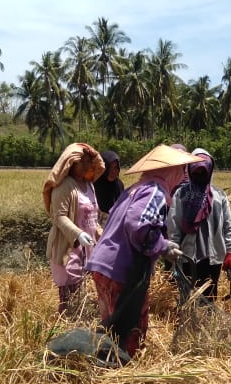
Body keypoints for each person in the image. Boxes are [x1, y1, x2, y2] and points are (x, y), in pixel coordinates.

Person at [85, 145, 202, 358]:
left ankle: (107, 368)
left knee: (112, 327)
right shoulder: (155, 192)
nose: (184, 175)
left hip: (103, 266)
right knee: (131, 329)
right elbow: (137, 223)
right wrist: (163, 246)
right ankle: (125, 373)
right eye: (181, 169)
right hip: (121, 271)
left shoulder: (135, 188)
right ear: (170, 170)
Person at [44, 143, 105, 316]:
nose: (88, 165)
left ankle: (80, 322)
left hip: (88, 246)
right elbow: (59, 217)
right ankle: (64, 326)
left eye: (89, 161)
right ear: (71, 163)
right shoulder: (64, 187)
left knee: (82, 291)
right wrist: (78, 233)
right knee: (68, 294)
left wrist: (100, 233)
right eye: (83, 161)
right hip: (69, 246)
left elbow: (94, 216)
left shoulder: (89, 186)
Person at [168, 148, 231, 302]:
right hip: (187, 256)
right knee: (187, 298)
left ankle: (207, 325)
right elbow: (174, 225)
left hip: (213, 256)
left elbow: (227, 226)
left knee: (209, 297)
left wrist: (230, 252)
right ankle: (188, 325)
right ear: (190, 172)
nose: (199, 176)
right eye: (196, 172)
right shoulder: (181, 195)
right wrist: (173, 250)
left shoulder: (219, 196)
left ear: (210, 172)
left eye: (203, 172)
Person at [94, 150, 124, 215]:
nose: (113, 172)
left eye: (115, 168)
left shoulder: (119, 184)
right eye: (109, 168)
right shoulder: (94, 185)